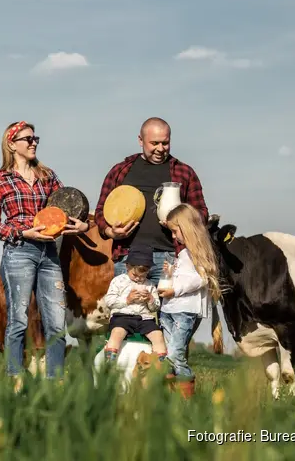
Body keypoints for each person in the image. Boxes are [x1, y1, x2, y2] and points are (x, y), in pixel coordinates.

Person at [0, 121, 89, 389]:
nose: (33, 142)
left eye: (35, 138)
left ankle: (56, 381)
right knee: (18, 319)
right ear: (11, 144)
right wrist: (23, 233)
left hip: (49, 253)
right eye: (27, 139)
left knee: (55, 321)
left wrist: (81, 224)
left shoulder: (48, 176)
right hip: (19, 252)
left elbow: (68, 206)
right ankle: (15, 379)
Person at [93, 117, 210, 285]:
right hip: (129, 257)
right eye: (154, 143)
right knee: (129, 310)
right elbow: (100, 212)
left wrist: (182, 224)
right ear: (140, 140)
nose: (160, 149)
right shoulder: (120, 171)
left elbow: (202, 213)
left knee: (171, 311)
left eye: (165, 143)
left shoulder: (184, 172)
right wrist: (111, 232)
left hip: (172, 257)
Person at [157, 203, 221, 397]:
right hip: (169, 309)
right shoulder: (183, 254)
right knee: (168, 354)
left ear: (187, 227)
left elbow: (200, 278)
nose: (174, 237)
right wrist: (170, 274)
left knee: (175, 354)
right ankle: (171, 395)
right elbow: (184, 276)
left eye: (175, 231)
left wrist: (174, 288)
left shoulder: (196, 254)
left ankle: (187, 392)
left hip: (185, 311)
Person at [102, 245, 167, 363]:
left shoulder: (150, 285)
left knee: (158, 335)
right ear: (127, 267)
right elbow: (109, 301)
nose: (138, 279)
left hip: (144, 318)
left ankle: (160, 363)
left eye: (142, 276)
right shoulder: (118, 281)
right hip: (122, 316)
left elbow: (156, 307)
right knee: (117, 332)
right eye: (135, 275)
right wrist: (127, 300)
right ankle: (109, 360)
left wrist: (150, 299)